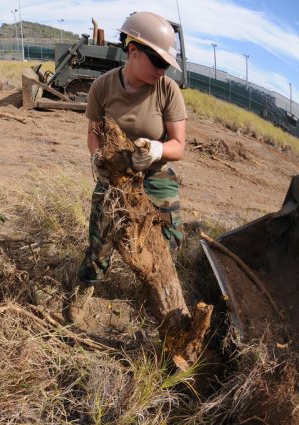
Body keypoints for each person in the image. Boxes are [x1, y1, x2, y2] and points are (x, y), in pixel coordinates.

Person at [69, 11, 187, 323]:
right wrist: (98, 159)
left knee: (170, 238)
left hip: (155, 172)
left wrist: (157, 148)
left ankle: (157, 286)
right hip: (116, 174)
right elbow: (94, 135)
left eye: (166, 65)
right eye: (158, 63)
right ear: (133, 51)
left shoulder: (167, 90)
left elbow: (179, 146)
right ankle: (87, 284)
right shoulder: (103, 88)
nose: (163, 71)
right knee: (100, 237)